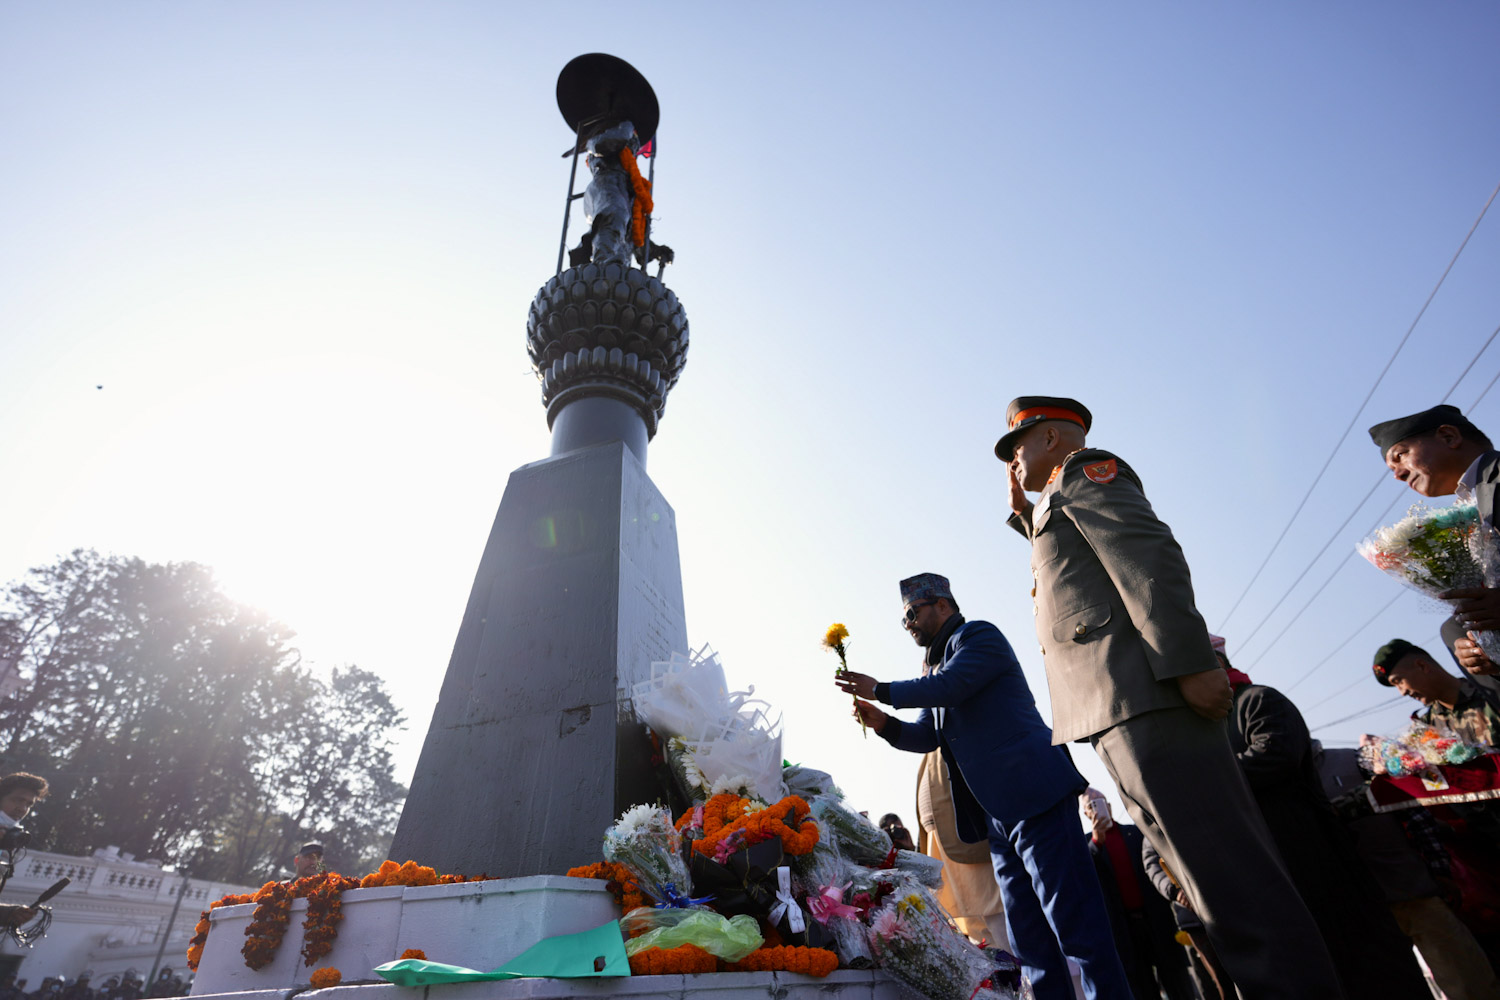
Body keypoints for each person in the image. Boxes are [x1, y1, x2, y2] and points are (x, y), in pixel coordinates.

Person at [996, 395, 1340, 1000]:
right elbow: (1077, 565)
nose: (1011, 461)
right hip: (1116, 708)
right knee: (1206, 886)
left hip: (1146, 699)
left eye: (1017, 447)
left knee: (1233, 880)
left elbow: (1148, 559)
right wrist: (1026, 516)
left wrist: (1191, 663)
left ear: (1050, 438)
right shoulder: (1057, 499)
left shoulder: (1087, 472)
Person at [836, 573, 1132, 1000]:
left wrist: (882, 690)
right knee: (1028, 942)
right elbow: (929, 736)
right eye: (904, 620)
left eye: (913, 613)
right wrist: (884, 724)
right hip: (996, 816)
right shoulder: (934, 668)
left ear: (943, 605)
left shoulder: (977, 637)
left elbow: (952, 687)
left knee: (1077, 925)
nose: (908, 624)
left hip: (1035, 794)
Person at [1216, 639, 1431, 998]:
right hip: (1277, 867)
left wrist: (1208, 776)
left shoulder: (1257, 700)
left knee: (1371, 965)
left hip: (1317, 855)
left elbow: (1275, 757)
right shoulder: (1214, 724)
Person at [1316, 742, 1500, 1000]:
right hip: (1355, 912)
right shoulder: (1277, 786)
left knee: (1466, 980)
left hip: (1413, 892)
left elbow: (1414, 812)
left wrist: (1439, 869)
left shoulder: (1354, 761)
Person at [1371, 404, 1500, 690]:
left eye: (1400, 455)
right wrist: (1489, 654)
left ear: (1448, 437)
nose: (1397, 475)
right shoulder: (1470, 513)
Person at [1078, 788, 1193, 1000]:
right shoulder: (1085, 848)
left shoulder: (1136, 833)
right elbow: (1085, 879)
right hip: (1124, 932)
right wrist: (1096, 842)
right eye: (1091, 806)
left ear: (1109, 805)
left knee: (1177, 983)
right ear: (1086, 813)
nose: (1097, 809)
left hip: (1156, 920)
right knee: (1141, 988)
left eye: (1100, 802)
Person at [1374, 638, 1500, 746]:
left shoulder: (1491, 694)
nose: (1402, 692)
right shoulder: (1426, 727)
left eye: (1399, 681)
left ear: (1422, 666)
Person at [0, 772, 46, 927]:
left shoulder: (6, 843)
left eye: (28, 804)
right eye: (18, 800)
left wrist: (9, 914)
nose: (22, 809)